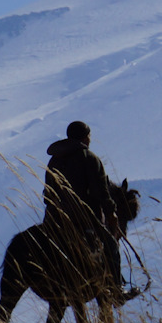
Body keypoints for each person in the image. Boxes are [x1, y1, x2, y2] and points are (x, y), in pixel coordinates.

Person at [43, 120, 123, 295]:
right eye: (89, 136)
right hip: (83, 220)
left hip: (54, 219)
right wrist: (111, 214)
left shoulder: (54, 160)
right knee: (111, 246)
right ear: (85, 138)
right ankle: (116, 290)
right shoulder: (89, 158)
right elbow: (101, 192)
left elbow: (47, 194)